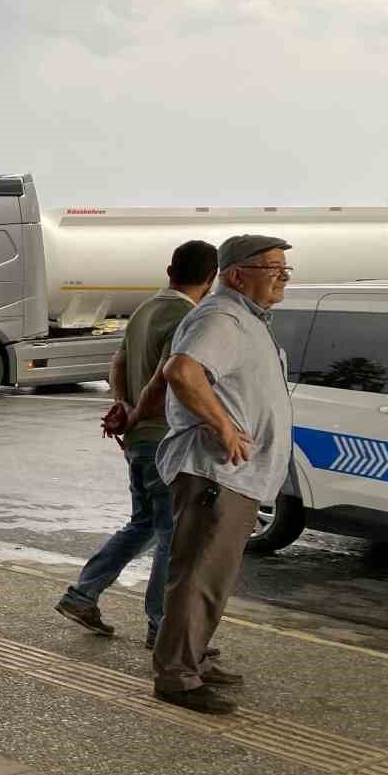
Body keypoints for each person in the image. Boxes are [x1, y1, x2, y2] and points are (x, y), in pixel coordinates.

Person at [151, 234, 294, 715]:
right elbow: (181, 371)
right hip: (216, 472)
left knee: (212, 575)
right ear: (236, 275)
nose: (283, 275)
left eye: (285, 268)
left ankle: (195, 657)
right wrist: (225, 426)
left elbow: (166, 375)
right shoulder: (223, 317)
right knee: (198, 576)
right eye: (272, 267)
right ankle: (177, 676)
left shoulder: (244, 320)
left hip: (235, 476)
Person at [55, 241, 217, 645]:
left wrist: (123, 408)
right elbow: (170, 378)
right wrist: (138, 413)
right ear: (212, 279)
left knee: (143, 523)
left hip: (140, 441)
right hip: (167, 440)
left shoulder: (145, 309)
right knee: (171, 534)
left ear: (169, 269)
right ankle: (161, 625)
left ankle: (83, 593)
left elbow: (117, 363)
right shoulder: (189, 316)